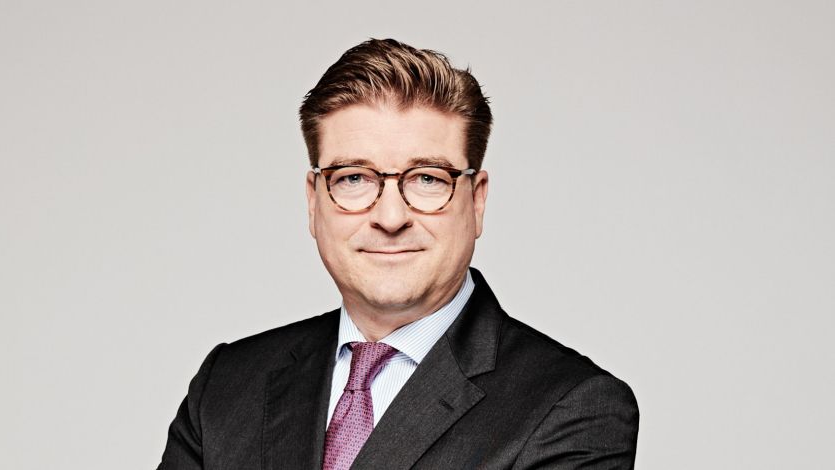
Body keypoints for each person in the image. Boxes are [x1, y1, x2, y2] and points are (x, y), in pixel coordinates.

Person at [157, 38, 639, 470]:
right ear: (314, 202)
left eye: (427, 178)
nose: (390, 217)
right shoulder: (227, 385)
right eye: (353, 178)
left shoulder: (572, 407)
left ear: (476, 202)